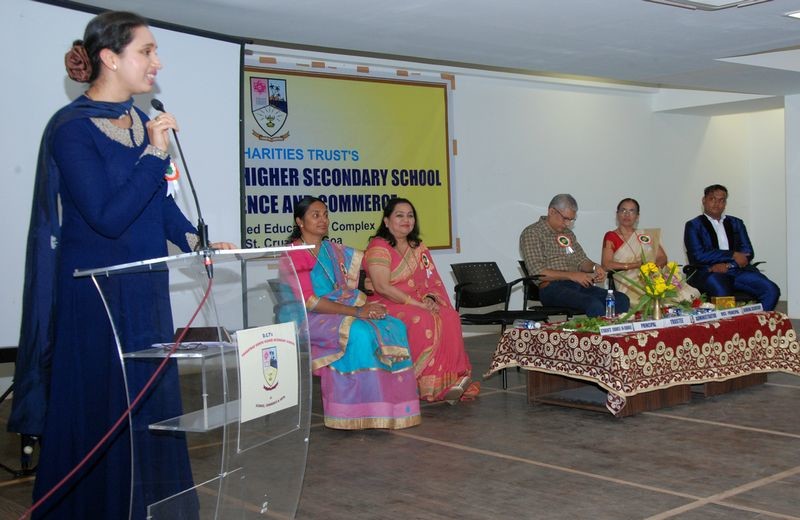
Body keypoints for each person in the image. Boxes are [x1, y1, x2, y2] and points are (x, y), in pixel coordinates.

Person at [8, 12, 235, 519]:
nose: (158, 61)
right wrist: (155, 154)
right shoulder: (70, 130)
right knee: (104, 411)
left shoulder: (138, 121)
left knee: (150, 411)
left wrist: (194, 239)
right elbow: (107, 218)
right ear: (110, 58)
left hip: (144, 291)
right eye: (147, 51)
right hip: (97, 299)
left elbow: (156, 202)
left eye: (155, 51)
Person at [286, 196, 421, 430]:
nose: (323, 220)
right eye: (315, 215)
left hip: (342, 308)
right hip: (309, 317)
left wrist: (371, 283)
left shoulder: (331, 249)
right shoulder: (294, 253)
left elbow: (366, 265)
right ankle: (355, 411)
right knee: (358, 333)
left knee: (393, 325)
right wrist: (358, 311)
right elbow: (309, 301)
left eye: (325, 214)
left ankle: (395, 408)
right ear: (300, 221)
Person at [364, 198, 477, 404]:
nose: (406, 220)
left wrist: (431, 298)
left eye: (410, 215)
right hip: (387, 303)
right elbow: (382, 287)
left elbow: (431, 279)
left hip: (418, 302)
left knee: (450, 316)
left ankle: (452, 381)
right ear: (387, 221)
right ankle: (425, 386)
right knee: (423, 319)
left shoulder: (418, 247)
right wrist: (418, 304)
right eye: (399, 215)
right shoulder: (378, 247)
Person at [519, 194, 630, 317]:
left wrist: (595, 267)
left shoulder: (568, 234)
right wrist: (572, 275)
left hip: (578, 285)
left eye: (571, 220)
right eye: (565, 218)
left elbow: (582, 261)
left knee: (621, 299)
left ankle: (614, 333)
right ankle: (596, 335)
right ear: (551, 211)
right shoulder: (532, 233)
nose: (567, 224)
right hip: (552, 289)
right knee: (593, 304)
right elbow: (538, 272)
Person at [684, 184, 780, 310]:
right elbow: (698, 255)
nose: (717, 204)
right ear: (704, 200)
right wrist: (732, 254)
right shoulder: (694, 225)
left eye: (721, 200)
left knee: (771, 290)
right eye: (712, 199)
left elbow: (748, 252)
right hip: (710, 272)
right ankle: (726, 327)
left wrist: (729, 265)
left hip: (737, 270)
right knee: (722, 291)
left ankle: (754, 325)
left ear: (725, 203)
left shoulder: (736, 223)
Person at [602, 198, 700, 306]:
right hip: (627, 280)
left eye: (631, 211)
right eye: (623, 210)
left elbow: (662, 258)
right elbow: (607, 265)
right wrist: (636, 265)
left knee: (682, 293)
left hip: (650, 275)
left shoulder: (645, 235)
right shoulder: (611, 236)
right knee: (650, 300)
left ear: (637, 216)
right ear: (617, 214)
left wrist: (652, 270)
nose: (627, 214)